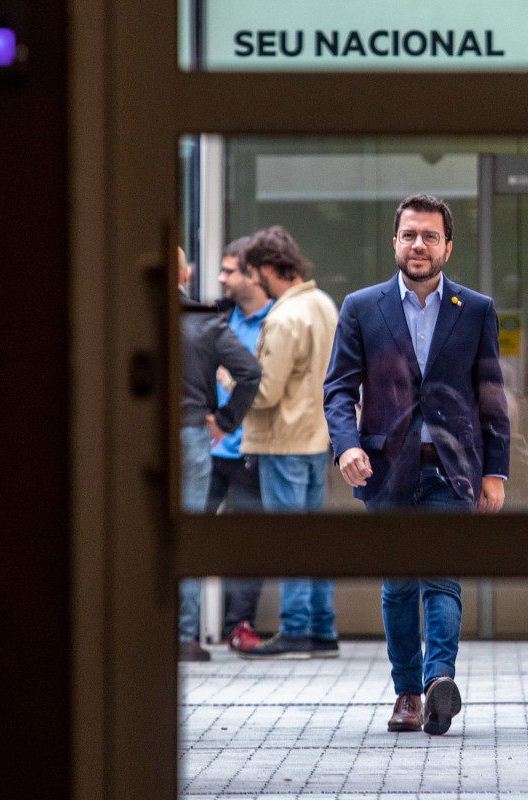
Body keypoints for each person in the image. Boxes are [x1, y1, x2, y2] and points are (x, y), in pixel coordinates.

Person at [323, 194, 511, 735]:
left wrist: (495, 471)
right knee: (400, 584)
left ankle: (437, 685)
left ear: (448, 246)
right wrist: (347, 444)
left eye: (430, 236)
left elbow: (491, 395)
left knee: (443, 578)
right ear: (395, 242)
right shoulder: (362, 306)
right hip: (385, 466)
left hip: (453, 467)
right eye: (409, 235)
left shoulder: (475, 310)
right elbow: (338, 388)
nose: (419, 245)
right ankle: (407, 692)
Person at [237, 226, 341, 660]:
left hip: (283, 441)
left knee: (289, 540)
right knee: (311, 537)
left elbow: (265, 392)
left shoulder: (282, 317)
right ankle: (322, 629)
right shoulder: (323, 305)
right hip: (319, 437)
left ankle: (295, 630)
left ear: (265, 269)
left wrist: (230, 382)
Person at [175, 246, 262, 662]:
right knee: (187, 531)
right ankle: (184, 637)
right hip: (191, 433)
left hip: (135, 439)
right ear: (186, 274)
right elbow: (250, 371)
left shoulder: (122, 317)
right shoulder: (203, 321)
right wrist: (225, 421)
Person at [206, 237, 274, 652]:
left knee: (253, 541)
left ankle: (238, 625)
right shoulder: (216, 316)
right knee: (189, 529)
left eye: (230, 270)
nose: (221, 278)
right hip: (211, 446)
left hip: (255, 448)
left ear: (253, 274)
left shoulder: (281, 319)